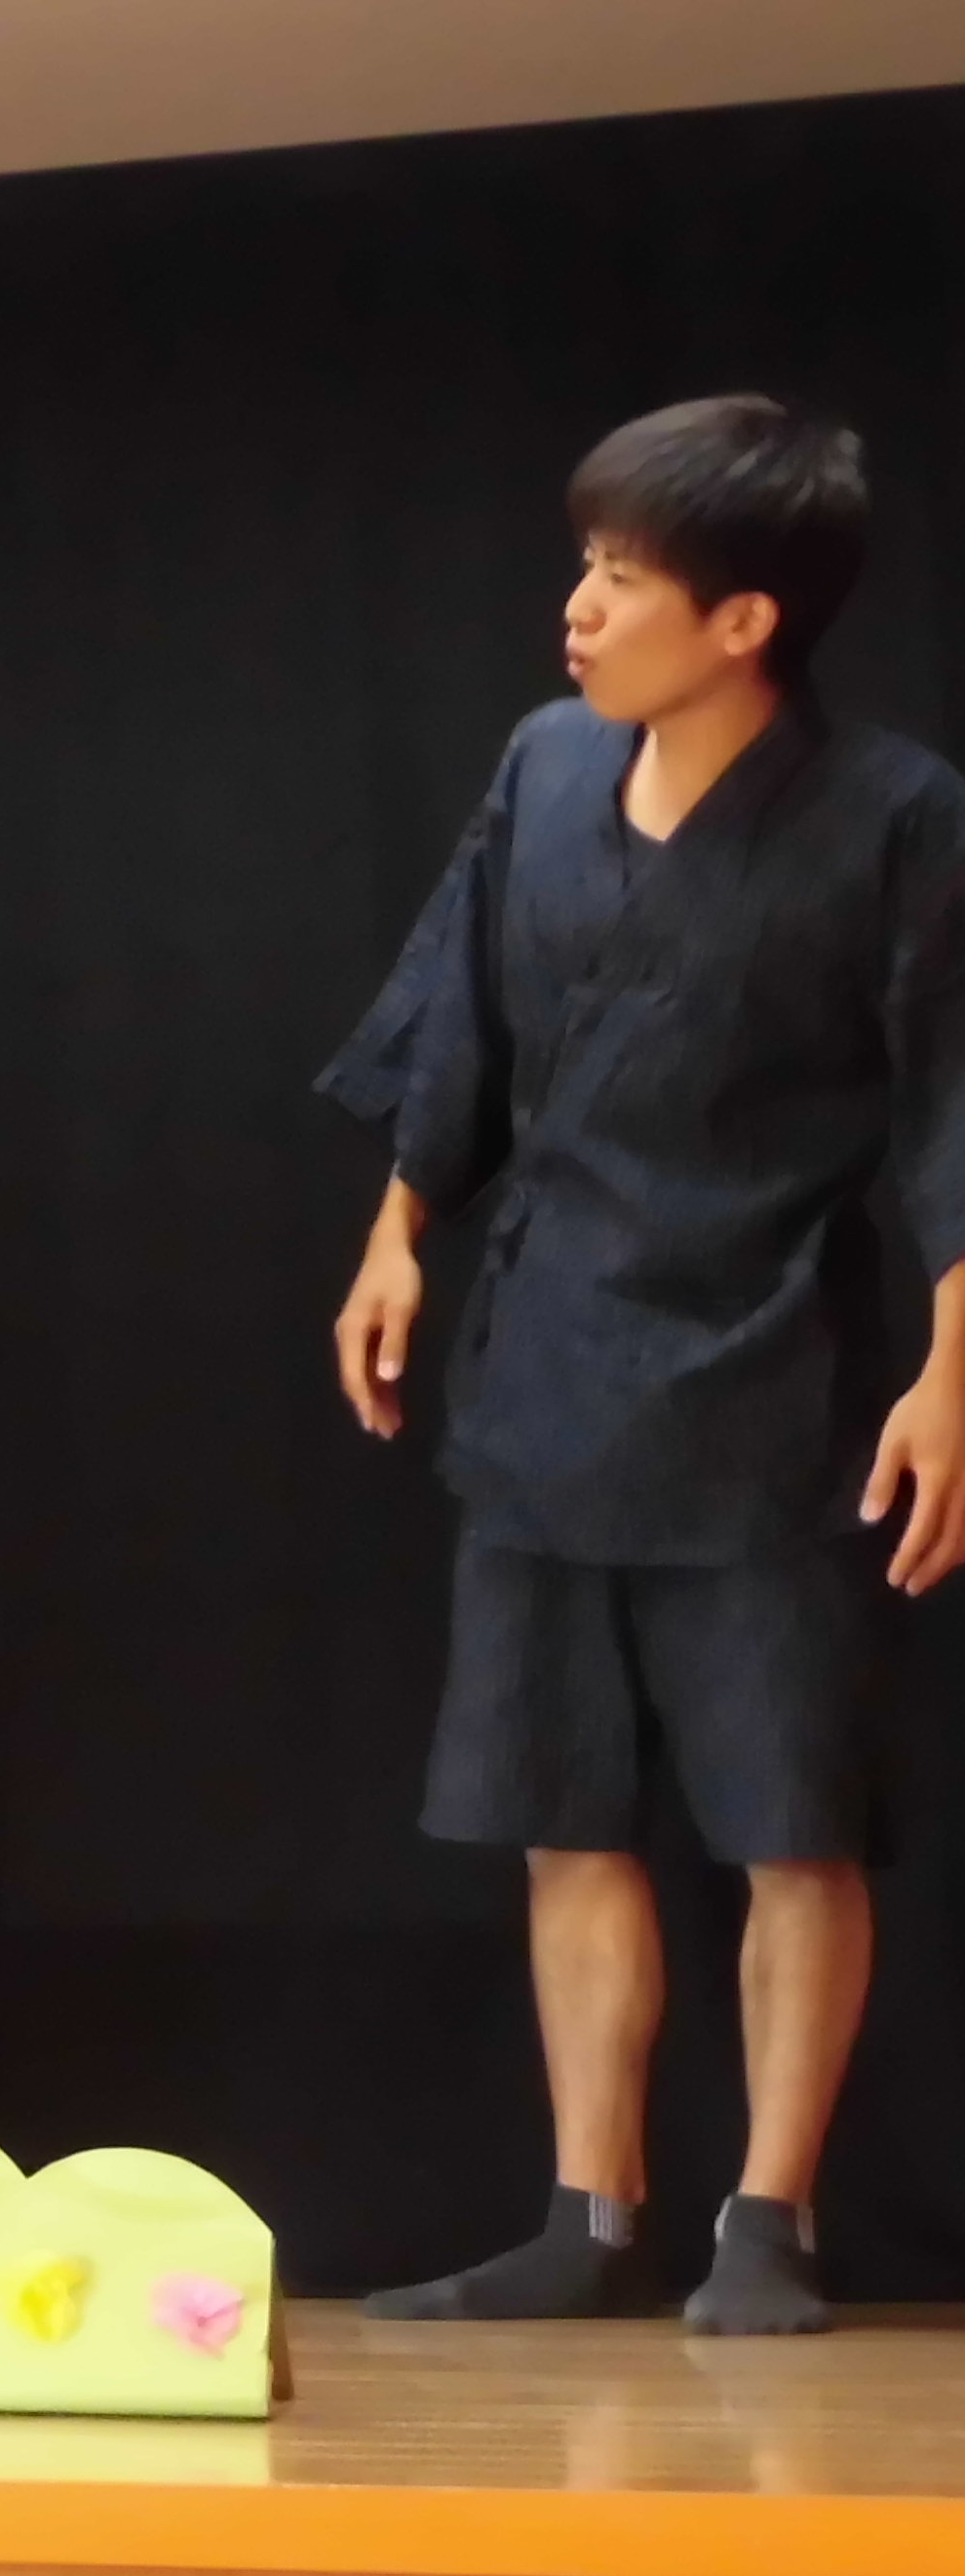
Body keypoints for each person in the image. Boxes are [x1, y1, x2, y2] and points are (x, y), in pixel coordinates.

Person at [324, 395, 965, 2336]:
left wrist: (952, 1372)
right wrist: (398, 1228)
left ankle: (770, 2218)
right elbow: (460, 1013)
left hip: (776, 1366)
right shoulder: (545, 764)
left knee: (793, 1817)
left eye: (624, 576)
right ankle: (589, 2210)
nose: (582, 608)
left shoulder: (896, 813)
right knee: (565, 1805)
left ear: (747, 620)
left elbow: (952, 1105)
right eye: (586, 564)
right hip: (548, 1357)